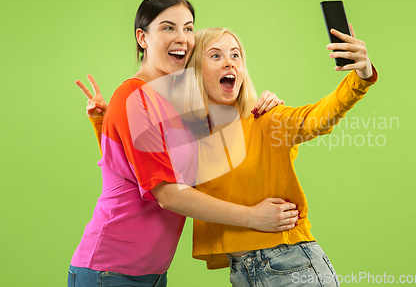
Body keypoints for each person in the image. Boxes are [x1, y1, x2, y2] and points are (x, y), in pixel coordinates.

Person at [86, 25, 378, 286]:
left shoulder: (266, 118)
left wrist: (361, 75)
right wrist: (105, 121)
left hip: (292, 264)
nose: (229, 62)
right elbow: (134, 169)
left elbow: (319, 117)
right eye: (215, 56)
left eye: (236, 55)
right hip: (243, 272)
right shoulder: (186, 139)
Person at [69, 0, 299, 287]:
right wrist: (254, 217)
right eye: (168, 27)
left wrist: (264, 107)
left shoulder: (176, 103)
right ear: (142, 37)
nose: (182, 38)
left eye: (188, 28)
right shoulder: (133, 97)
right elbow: (167, 193)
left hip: (150, 274)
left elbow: (127, 165)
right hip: (110, 272)